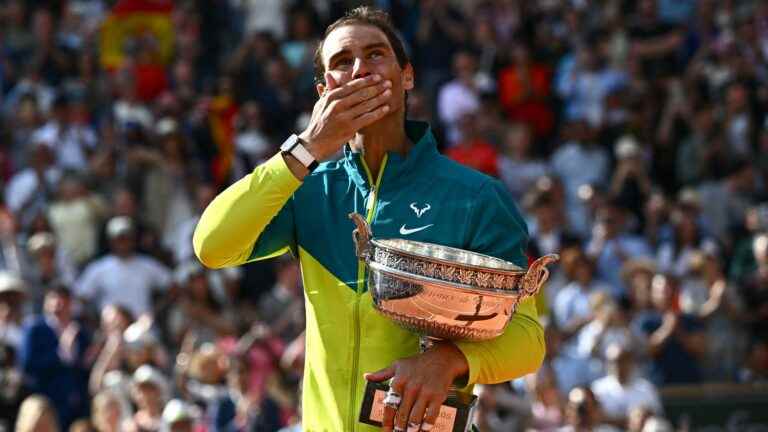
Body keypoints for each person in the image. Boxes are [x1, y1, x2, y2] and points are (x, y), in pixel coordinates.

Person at [193, 7, 544, 432]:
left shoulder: (476, 197)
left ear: (407, 77)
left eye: (376, 54)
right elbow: (211, 246)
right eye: (343, 62)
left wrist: (450, 360)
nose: (360, 69)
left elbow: (528, 337)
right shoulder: (304, 189)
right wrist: (306, 148)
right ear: (324, 90)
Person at [19, 287, 91, 429]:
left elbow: (82, 368)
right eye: (54, 299)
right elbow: (28, 365)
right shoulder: (35, 329)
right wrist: (60, 354)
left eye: (64, 300)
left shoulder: (80, 331)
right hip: (47, 403)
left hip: (75, 406)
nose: (58, 304)